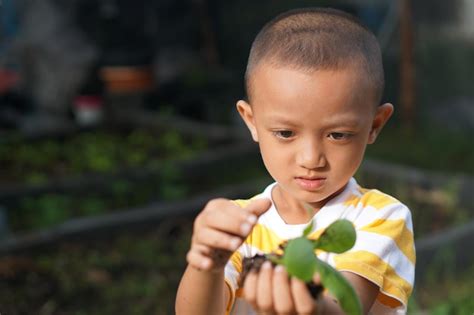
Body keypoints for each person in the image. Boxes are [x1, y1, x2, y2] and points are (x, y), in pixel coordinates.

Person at [176, 7, 415, 315]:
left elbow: (344, 306)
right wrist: (205, 262)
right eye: (286, 133)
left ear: (375, 125)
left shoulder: (380, 217)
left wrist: (311, 305)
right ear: (251, 121)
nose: (310, 159)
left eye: (338, 135)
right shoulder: (240, 225)